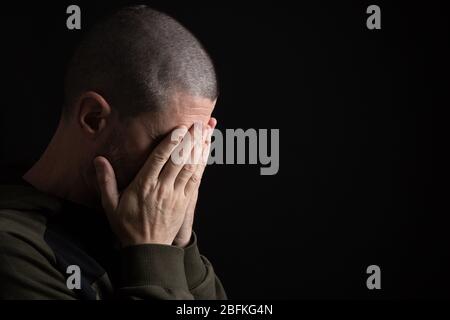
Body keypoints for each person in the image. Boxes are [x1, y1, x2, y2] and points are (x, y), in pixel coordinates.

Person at [0, 5, 226, 300]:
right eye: (170, 142)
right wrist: (151, 254)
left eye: (196, 144)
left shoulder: (133, 224)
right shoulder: (14, 249)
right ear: (94, 118)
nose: (184, 163)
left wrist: (178, 247)